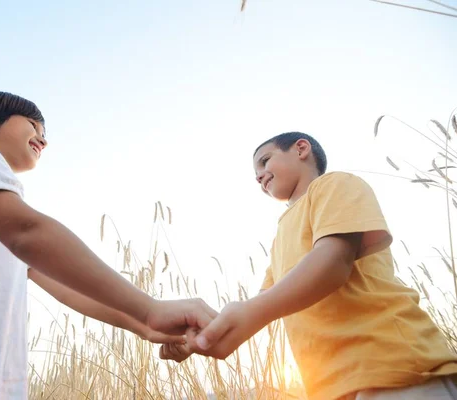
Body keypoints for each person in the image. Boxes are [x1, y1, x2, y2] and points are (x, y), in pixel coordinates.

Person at [0, 89, 216, 399]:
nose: (43, 139)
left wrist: (146, 326)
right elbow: (27, 232)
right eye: (33, 125)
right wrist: (150, 308)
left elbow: (68, 289)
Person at [160, 132, 457, 400]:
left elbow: (333, 262)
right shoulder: (280, 237)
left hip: (397, 368)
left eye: (265, 162)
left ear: (301, 149)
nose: (259, 176)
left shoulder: (334, 184)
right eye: (256, 173)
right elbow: (263, 303)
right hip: (330, 386)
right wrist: (199, 338)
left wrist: (249, 313)